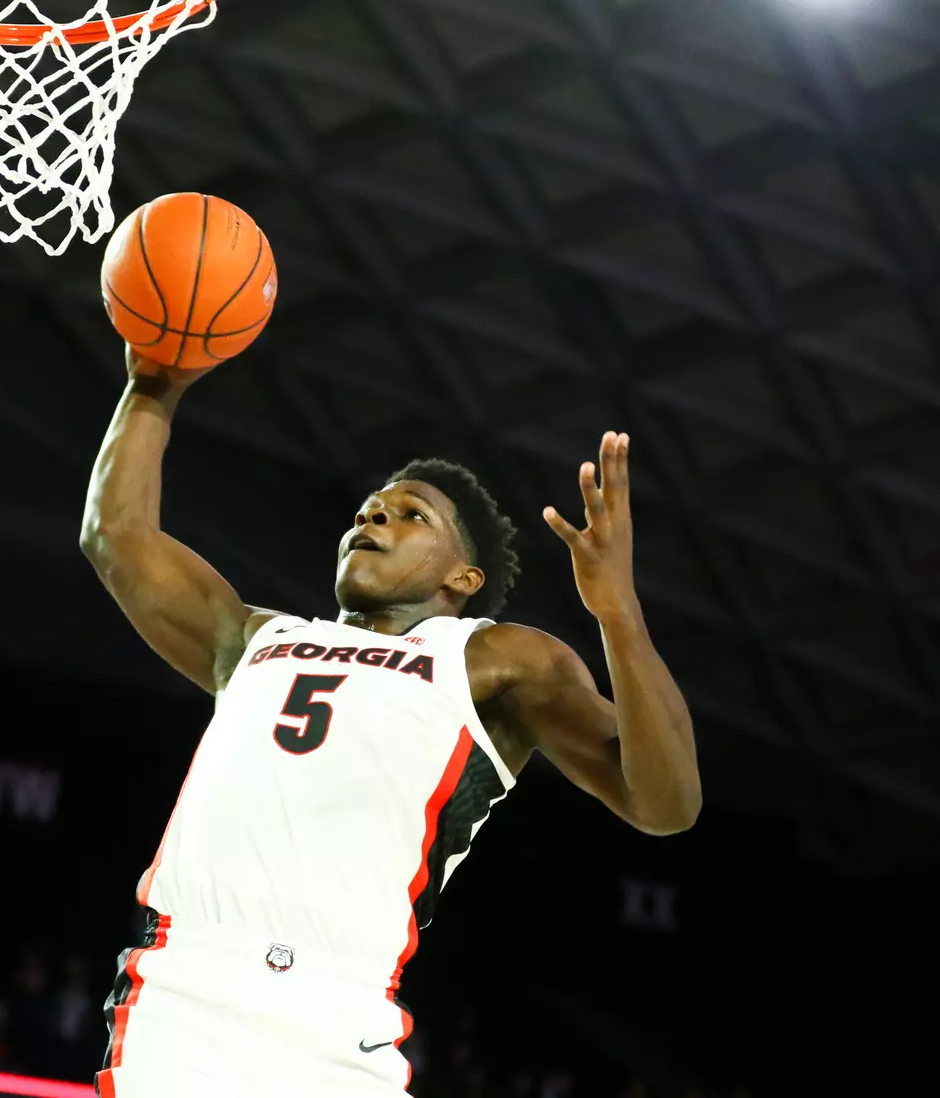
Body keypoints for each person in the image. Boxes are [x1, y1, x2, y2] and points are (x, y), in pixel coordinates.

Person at [79, 348, 702, 1097]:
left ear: (462, 579)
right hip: (190, 997)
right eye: (371, 507)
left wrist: (618, 614)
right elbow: (115, 536)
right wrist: (153, 384)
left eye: (412, 515)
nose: (375, 515)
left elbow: (668, 806)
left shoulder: (495, 659)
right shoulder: (251, 638)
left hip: (343, 1015)